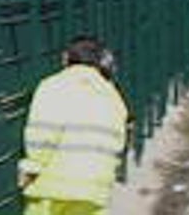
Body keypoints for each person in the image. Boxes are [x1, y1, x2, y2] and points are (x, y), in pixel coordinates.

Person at [19, 36, 128, 215]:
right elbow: (118, 143)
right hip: (95, 188)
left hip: (51, 187)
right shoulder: (113, 96)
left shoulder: (52, 85)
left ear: (66, 58)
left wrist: (31, 168)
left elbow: (42, 134)